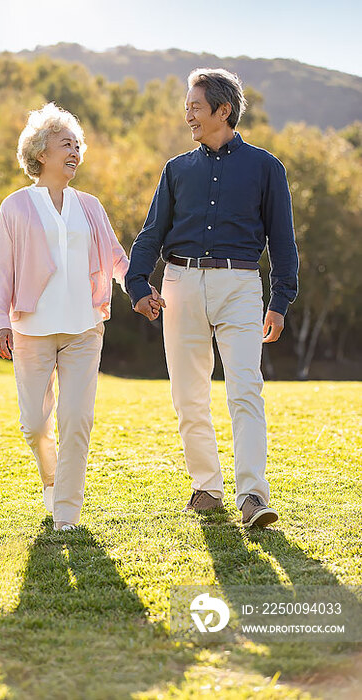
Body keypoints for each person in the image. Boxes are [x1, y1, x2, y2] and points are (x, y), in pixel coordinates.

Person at [125, 68, 299, 527]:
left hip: (241, 288)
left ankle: (252, 497)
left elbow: (283, 242)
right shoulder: (177, 170)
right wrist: (138, 284)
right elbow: (151, 233)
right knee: (189, 395)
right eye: (187, 108)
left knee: (246, 391)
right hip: (180, 285)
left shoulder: (266, 168)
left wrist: (279, 301)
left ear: (224, 110)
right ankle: (207, 487)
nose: (189, 117)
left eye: (195, 108)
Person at [0, 102, 139, 531]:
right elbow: (3, 270)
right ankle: (51, 478)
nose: (74, 151)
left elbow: (115, 258)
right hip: (30, 330)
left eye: (77, 144)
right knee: (35, 424)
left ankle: (67, 514)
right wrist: (1, 321)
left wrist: (140, 289)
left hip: (83, 328)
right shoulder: (14, 207)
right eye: (64, 144)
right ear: (40, 153)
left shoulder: (89, 205)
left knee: (76, 419)